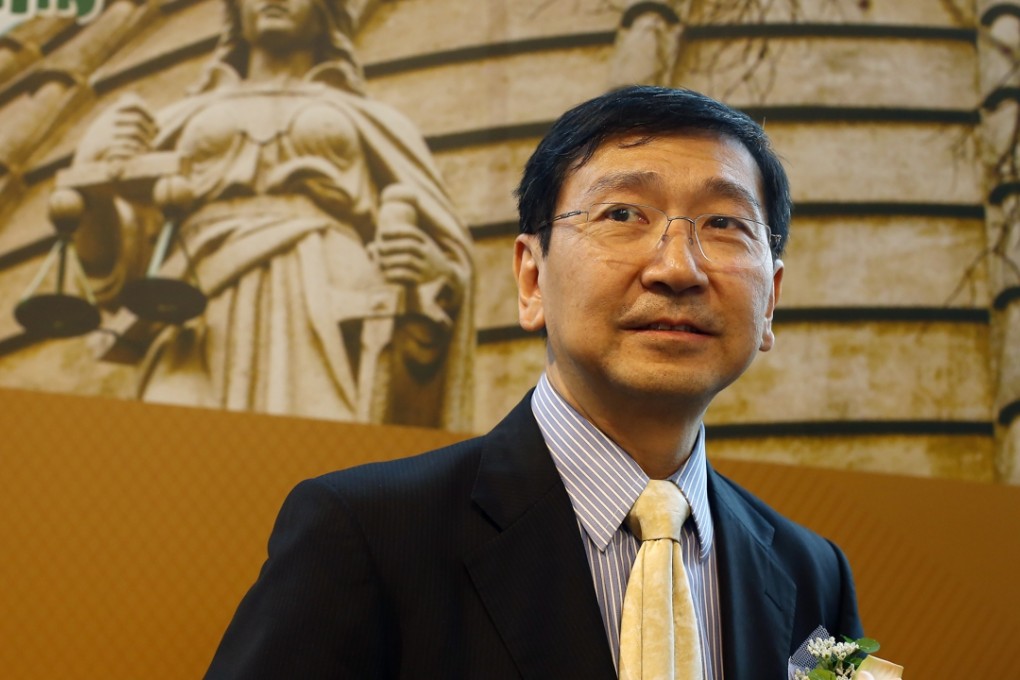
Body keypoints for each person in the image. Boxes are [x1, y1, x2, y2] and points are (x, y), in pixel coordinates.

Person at [204, 85, 862, 679]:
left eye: (725, 224)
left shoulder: (815, 573)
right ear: (530, 278)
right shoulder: (366, 534)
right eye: (623, 215)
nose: (677, 268)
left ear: (770, 300)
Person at [70, 0, 474, 428]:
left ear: (326, 12)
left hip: (328, 303)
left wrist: (433, 271)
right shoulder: (175, 122)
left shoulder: (372, 120)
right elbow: (116, 270)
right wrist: (91, 178)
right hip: (196, 312)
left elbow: (444, 253)